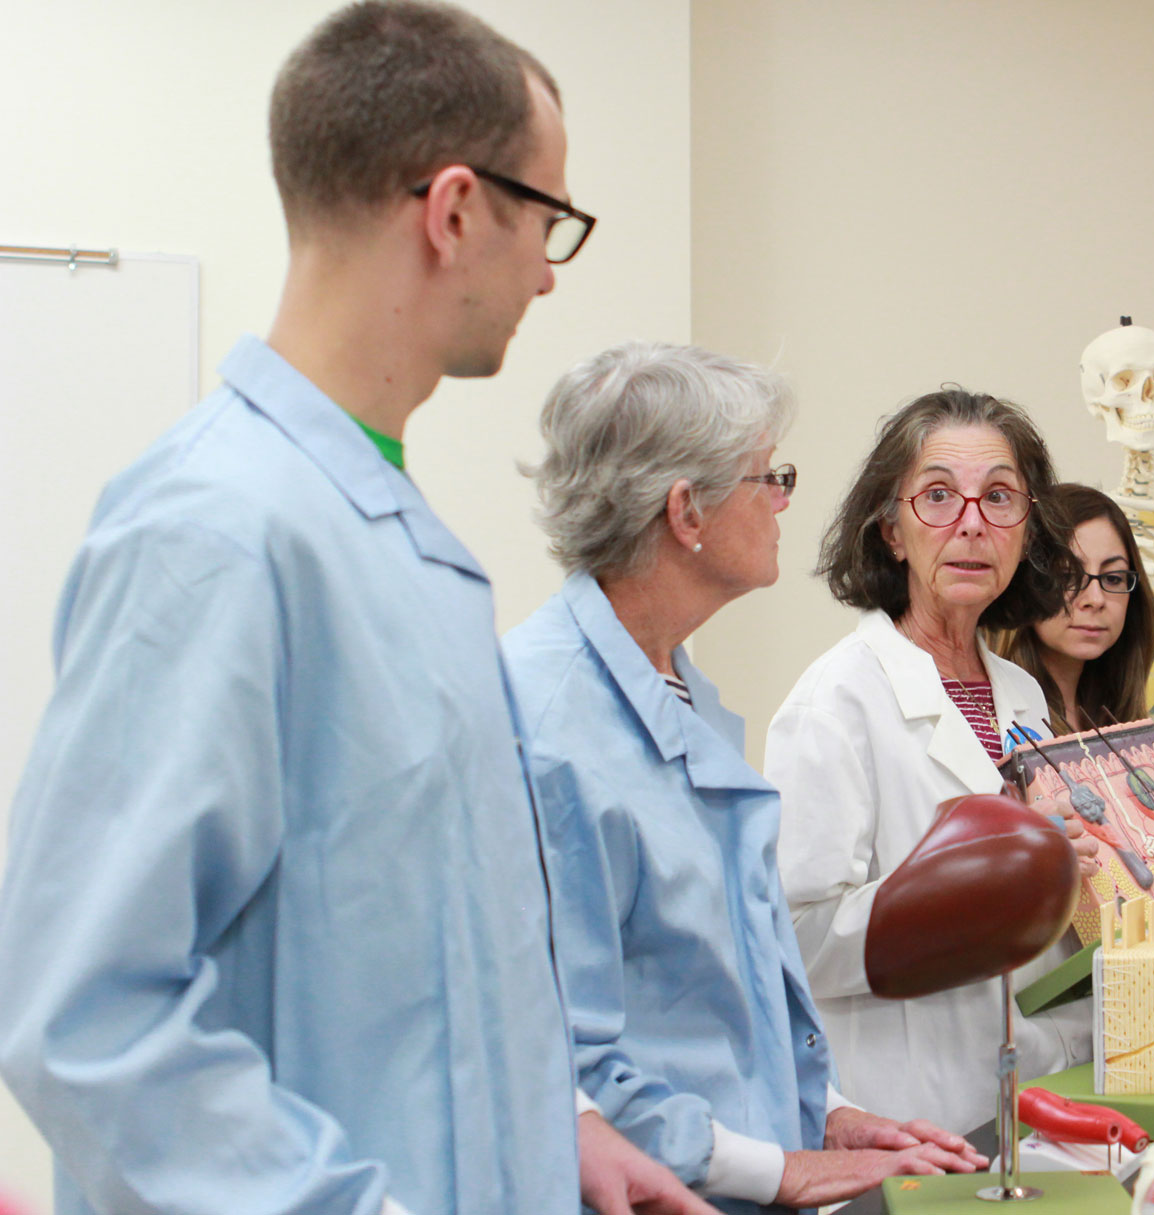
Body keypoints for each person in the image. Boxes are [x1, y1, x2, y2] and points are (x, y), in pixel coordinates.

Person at [0, 6, 704, 1214]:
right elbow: (82, 1013)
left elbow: (417, 979)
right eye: (549, 222)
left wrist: (554, 1132)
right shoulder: (212, 529)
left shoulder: (391, 538)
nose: (546, 269)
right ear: (453, 210)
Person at [505, 343, 985, 1212]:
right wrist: (780, 1168)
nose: (785, 501)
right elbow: (553, 1065)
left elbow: (711, 1002)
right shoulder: (549, 730)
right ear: (687, 511)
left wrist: (826, 1115)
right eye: (770, 477)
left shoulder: (677, 690)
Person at [766, 388, 1097, 1134]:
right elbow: (795, 940)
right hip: (910, 1112)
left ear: (1026, 529)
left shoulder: (1018, 692)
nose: (972, 523)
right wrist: (973, 885)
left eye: (1000, 496)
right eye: (939, 495)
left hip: (1032, 1091)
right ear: (890, 529)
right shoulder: (837, 700)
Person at [992, 482, 1154, 735]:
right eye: (1066, 576)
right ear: (1024, 583)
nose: (1095, 599)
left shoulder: (1122, 718)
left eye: (1113, 578)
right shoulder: (992, 720)